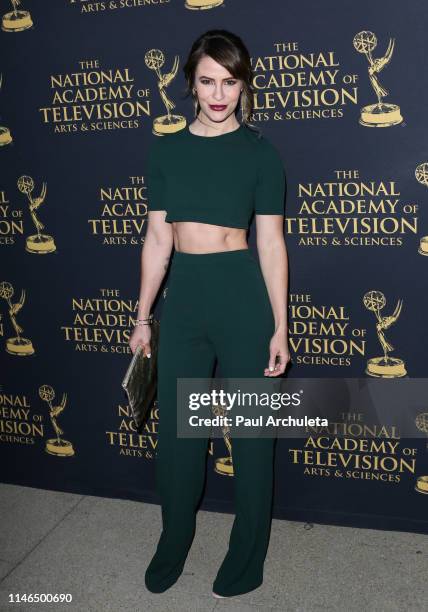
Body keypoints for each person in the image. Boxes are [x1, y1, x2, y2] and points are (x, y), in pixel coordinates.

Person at [129, 28, 291, 599]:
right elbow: (156, 240)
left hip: (242, 295)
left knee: (252, 436)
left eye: (229, 81)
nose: (218, 93)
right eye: (207, 81)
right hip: (187, 298)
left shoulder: (261, 153)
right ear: (190, 84)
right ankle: (173, 541)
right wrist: (143, 315)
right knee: (179, 435)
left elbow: (270, 244)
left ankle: (248, 556)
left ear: (242, 85)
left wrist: (280, 325)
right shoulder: (166, 149)